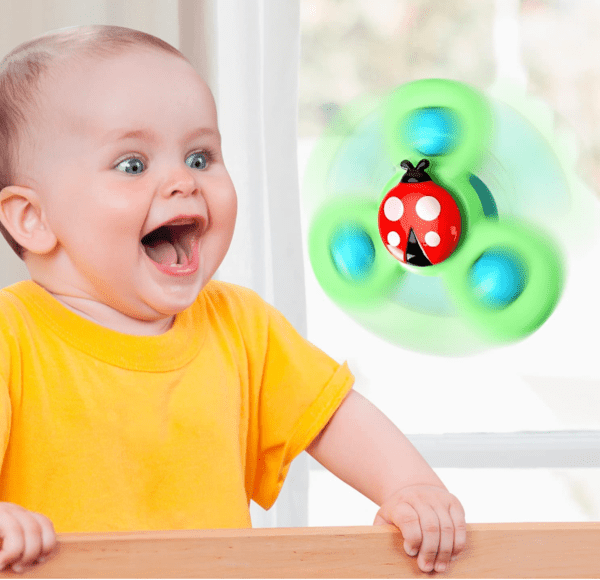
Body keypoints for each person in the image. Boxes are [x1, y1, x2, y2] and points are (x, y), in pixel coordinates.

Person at [0, 25, 466, 574]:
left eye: (200, 157)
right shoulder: (13, 337)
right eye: (133, 164)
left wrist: (409, 486)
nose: (183, 182)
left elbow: (335, 416)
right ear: (33, 219)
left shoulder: (239, 324)